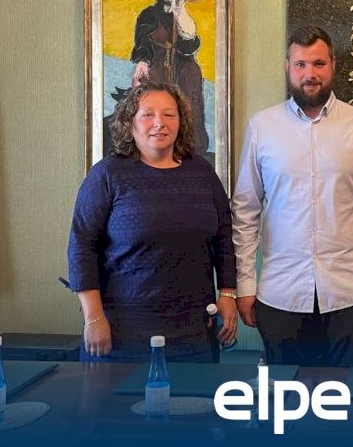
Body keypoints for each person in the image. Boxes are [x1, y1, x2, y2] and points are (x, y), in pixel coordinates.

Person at [232, 26, 353, 366]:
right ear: (287, 66)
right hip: (281, 293)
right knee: (286, 393)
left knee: (347, 393)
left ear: (333, 64)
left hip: (351, 293)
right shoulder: (261, 128)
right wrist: (245, 284)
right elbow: (245, 211)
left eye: (318, 64)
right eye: (301, 64)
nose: (310, 74)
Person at [67, 82, 237, 362]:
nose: (160, 123)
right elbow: (81, 248)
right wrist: (93, 317)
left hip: (194, 333)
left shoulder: (202, 173)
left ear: (181, 122)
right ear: (130, 122)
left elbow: (223, 238)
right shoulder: (107, 175)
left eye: (169, 114)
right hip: (121, 335)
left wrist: (227, 294)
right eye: (148, 114)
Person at [130, 0, 210, 157]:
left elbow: (189, 43)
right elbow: (142, 42)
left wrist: (178, 9)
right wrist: (142, 61)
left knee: (188, 107)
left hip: (184, 70)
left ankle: (189, 150)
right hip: (157, 68)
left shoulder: (182, 13)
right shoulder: (148, 14)